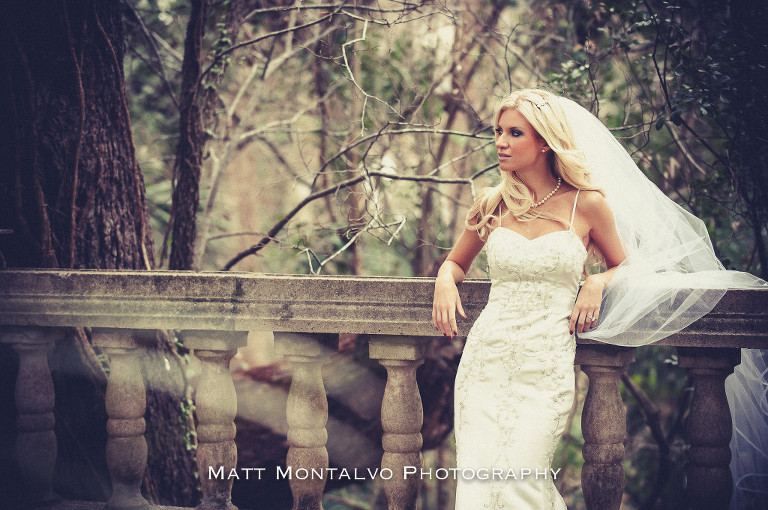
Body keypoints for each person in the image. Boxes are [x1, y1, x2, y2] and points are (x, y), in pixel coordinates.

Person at [432, 88, 767, 509]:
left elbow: (625, 265)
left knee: (523, 481)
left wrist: (596, 283)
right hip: (485, 361)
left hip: (544, 363)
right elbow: (455, 263)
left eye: (514, 133)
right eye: (498, 131)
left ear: (545, 142)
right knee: (479, 487)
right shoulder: (493, 204)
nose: (500, 141)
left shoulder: (587, 205)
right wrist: (446, 279)